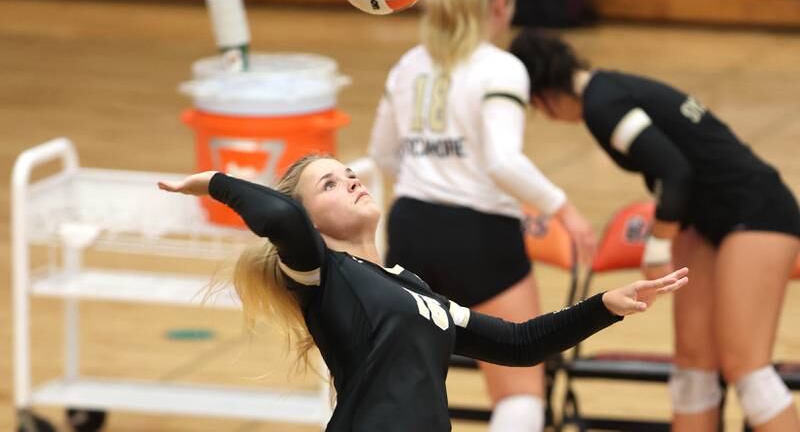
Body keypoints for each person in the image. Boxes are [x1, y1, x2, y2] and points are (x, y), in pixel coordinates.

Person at [157, 154, 688, 432]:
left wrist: (604, 307)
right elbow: (276, 215)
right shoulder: (323, 275)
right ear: (310, 222)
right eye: (329, 185)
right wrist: (214, 182)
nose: (350, 180)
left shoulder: (414, 289)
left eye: (346, 174)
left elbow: (518, 344)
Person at [508, 29, 800, 432]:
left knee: (747, 370)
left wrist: (658, 245)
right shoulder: (608, 92)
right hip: (707, 220)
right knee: (693, 368)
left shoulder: (603, 104)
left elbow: (674, 172)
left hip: (758, 212)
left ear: (541, 96)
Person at [367, 0, 597, 431]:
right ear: (499, 3)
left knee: (407, 383)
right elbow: (502, 162)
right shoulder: (500, 67)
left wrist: (429, 172)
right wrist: (566, 211)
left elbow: (383, 154)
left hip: (409, 227)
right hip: (479, 234)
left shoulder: (409, 64)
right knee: (519, 387)